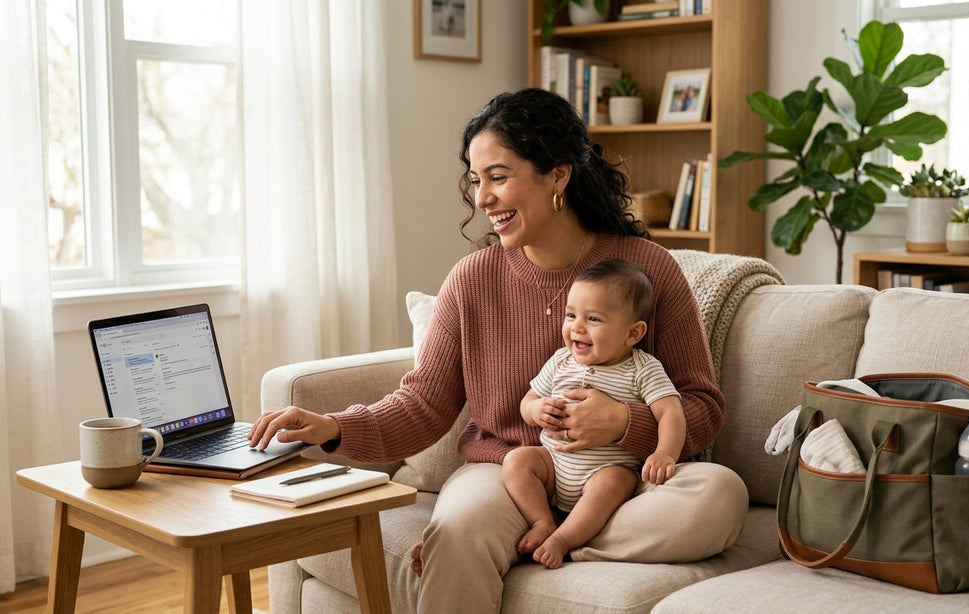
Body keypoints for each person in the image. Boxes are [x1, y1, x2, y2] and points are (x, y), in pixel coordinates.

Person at [248, 87, 748, 614]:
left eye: (499, 176)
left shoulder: (647, 269)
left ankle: (544, 542)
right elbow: (422, 406)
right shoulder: (473, 279)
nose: (483, 198)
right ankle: (520, 539)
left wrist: (625, 422)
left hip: (622, 479)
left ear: (558, 176)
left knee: (720, 496)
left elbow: (702, 407)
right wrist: (334, 427)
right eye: (476, 180)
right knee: (459, 529)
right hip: (508, 472)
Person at [503, 258, 685, 569]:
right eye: (571, 315)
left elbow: (670, 412)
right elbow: (528, 400)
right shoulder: (561, 361)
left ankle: (564, 540)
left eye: (594, 319)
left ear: (633, 333)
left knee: (614, 482)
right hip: (553, 466)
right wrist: (535, 410)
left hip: (604, 469)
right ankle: (542, 522)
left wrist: (664, 453)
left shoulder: (642, 369)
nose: (576, 327)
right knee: (517, 461)